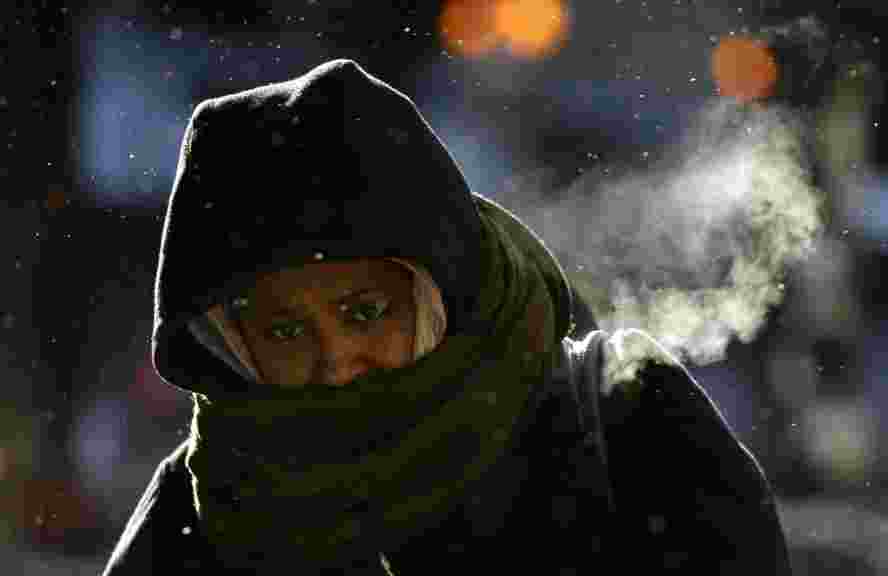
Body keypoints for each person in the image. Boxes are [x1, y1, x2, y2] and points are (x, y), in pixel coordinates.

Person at [101, 59, 791, 574]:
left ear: (439, 293)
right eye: (283, 332)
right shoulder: (202, 514)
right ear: (231, 347)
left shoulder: (626, 432)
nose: (337, 360)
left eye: (365, 311)